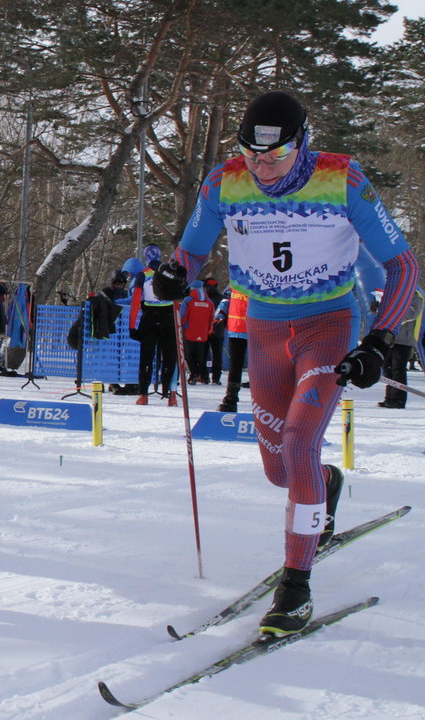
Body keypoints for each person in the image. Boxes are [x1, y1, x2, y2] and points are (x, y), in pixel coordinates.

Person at [154, 90, 420, 638]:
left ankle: (295, 589)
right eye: (251, 154)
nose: (262, 166)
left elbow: (404, 268)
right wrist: (171, 276)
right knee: (282, 470)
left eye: (274, 156)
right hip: (266, 330)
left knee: (300, 443)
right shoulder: (222, 182)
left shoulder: (342, 180)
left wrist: (379, 341)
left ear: (303, 142)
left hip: (329, 326)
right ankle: (324, 485)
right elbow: (190, 252)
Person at [128, 243, 178, 406]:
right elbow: (178, 299)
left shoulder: (142, 275)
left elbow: (135, 301)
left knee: (147, 358)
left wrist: (131, 326)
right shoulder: (170, 273)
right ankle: (171, 396)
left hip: (149, 317)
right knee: (170, 358)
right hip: (169, 317)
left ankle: (144, 395)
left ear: (146, 257)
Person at [378, 289, 424, 408]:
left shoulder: (414, 295)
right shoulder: (393, 294)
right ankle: (389, 397)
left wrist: (393, 313)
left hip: (404, 339)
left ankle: (398, 400)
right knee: (387, 368)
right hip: (390, 337)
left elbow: (413, 313)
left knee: (398, 368)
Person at [214, 286, 250, 411]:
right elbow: (226, 300)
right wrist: (220, 314)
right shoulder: (236, 280)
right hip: (236, 329)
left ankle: (265, 400)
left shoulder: (261, 278)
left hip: (256, 329)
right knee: (235, 365)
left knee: (259, 365)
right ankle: (231, 398)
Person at [181, 281, 216, 384]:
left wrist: (182, 326)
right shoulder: (210, 303)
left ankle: (194, 374)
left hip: (189, 331)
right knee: (199, 355)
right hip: (203, 332)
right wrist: (209, 329)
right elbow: (212, 318)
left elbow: (182, 316)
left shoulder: (188, 301)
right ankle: (201, 376)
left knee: (188, 355)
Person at [204, 278, 225, 384]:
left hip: (204, 329)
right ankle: (216, 378)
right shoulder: (222, 298)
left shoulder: (203, 298)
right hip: (218, 330)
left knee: (203, 354)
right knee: (217, 355)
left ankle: (204, 376)